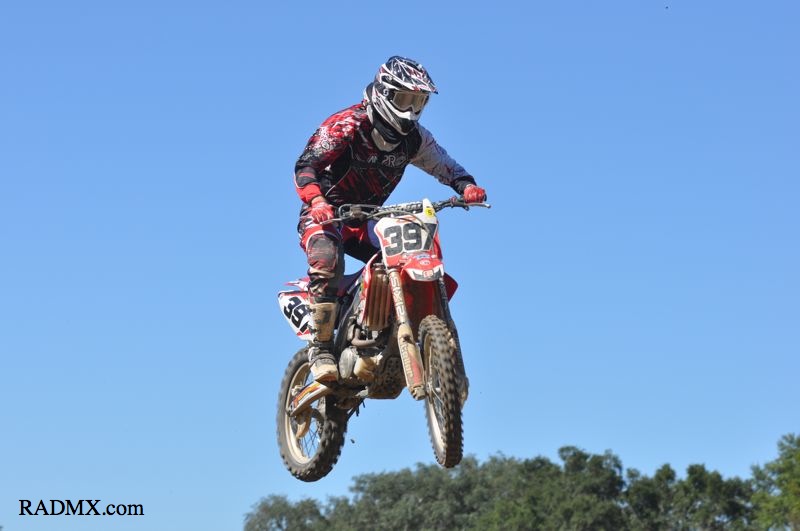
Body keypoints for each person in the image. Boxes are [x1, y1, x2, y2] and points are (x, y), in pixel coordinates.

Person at [293, 56, 487, 382]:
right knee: (327, 260)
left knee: (410, 256)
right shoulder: (348, 125)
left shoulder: (414, 139)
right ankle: (321, 348)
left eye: (418, 102)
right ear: (384, 92)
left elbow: (444, 164)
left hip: (369, 217)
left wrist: (466, 186)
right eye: (404, 99)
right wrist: (316, 200)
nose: (411, 110)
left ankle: (390, 332)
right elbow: (306, 165)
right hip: (327, 214)